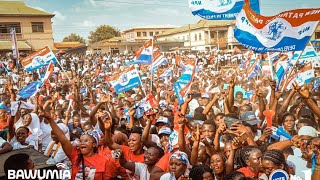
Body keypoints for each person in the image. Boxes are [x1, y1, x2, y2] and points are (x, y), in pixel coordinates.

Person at [38, 105, 111, 180]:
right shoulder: (75, 155)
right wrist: (50, 119)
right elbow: (62, 138)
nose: (82, 143)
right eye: (81, 140)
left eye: (86, 141)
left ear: (94, 144)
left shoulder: (104, 162)